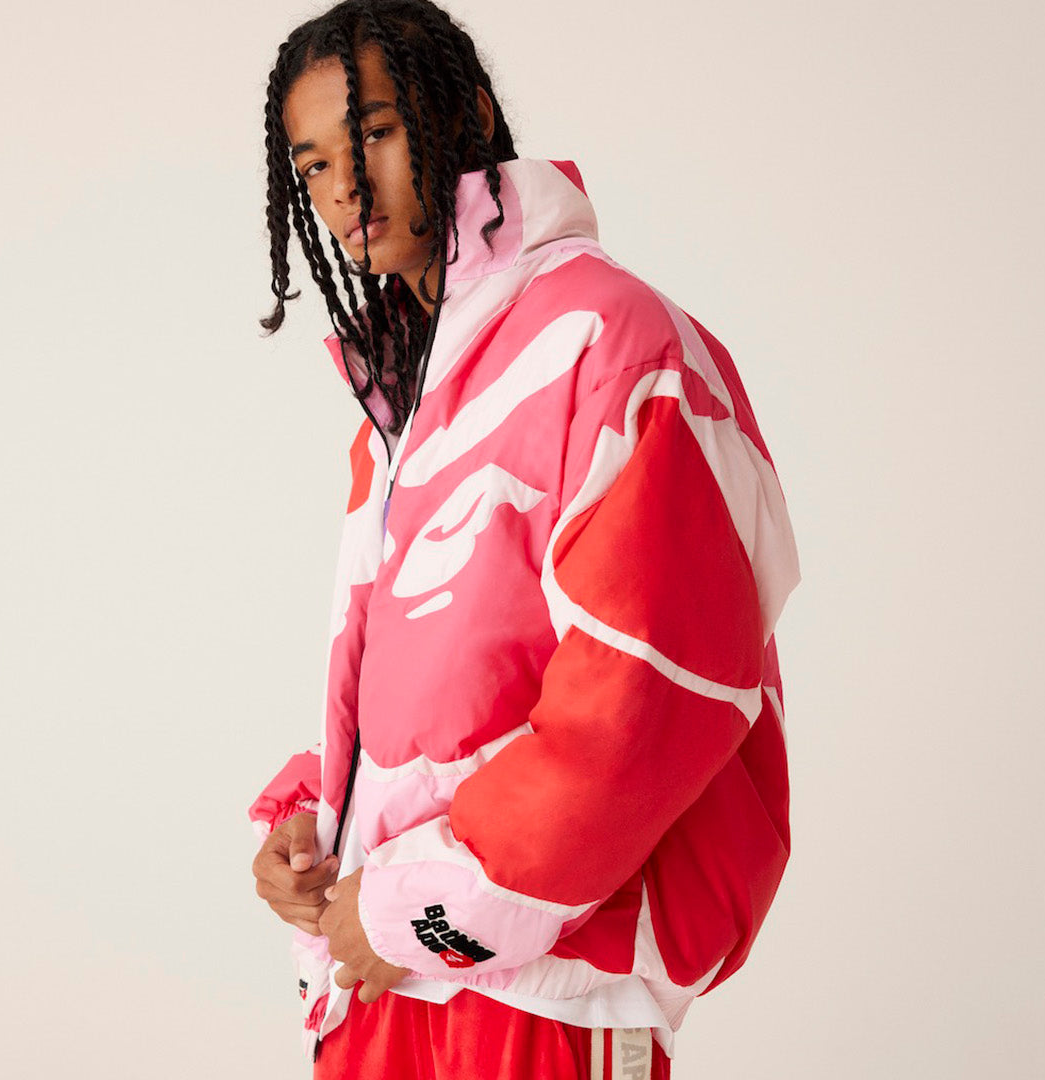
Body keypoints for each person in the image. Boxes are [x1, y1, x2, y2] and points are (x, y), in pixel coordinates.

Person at [246, 2, 802, 1076]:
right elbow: (450, 691)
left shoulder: (610, 339)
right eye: (313, 166)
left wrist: (425, 906)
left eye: (373, 133)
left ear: (463, 112)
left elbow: (650, 693)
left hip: (544, 993)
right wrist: (320, 818)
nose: (345, 188)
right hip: (381, 984)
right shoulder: (403, 400)